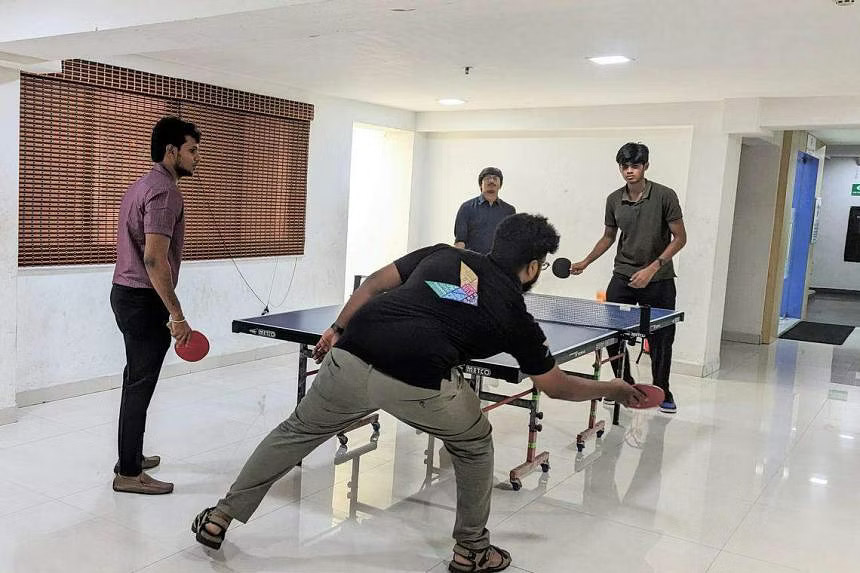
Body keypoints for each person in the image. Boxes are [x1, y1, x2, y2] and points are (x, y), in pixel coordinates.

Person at [191, 213, 644, 572]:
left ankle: (221, 517)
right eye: (541, 266)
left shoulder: (444, 254)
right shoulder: (514, 313)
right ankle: (471, 550)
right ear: (531, 266)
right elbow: (556, 386)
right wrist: (616, 388)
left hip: (353, 353)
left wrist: (335, 328)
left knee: (296, 432)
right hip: (417, 380)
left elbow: (372, 282)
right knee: (474, 443)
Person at [110, 116, 201, 494]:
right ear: (171, 151)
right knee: (140, 385)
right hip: (144, 301)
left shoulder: (142, 184)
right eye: (192, 151)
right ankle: (129, 474)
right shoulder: (165, 192)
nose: (197, 158)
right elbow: (153, 259)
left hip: (125, 294)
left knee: (135, 379)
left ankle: (129, 456)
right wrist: (177, 316)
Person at [570, 142, 687, 413]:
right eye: (625, 166)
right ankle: (624, 386)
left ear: (645, 166)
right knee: (613, 334)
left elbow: (680, 238)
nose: (629, 171)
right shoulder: (614, 199)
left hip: (658, 278)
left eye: (635, 165)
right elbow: (609, 236)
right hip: (623, 275)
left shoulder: (665, 196)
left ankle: (662, 390)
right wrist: (586, 261)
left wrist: (652, 268)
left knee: (662, 337)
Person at [454, 167, 516, 253]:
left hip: (499, 264)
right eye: (487, 178)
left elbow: (512, 241)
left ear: (500, 185)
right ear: (480, 184)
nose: (491, 181)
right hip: (472, 263)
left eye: (495, 178)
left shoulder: (509, 211)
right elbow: (460, 242)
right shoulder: (466, 208)